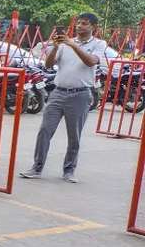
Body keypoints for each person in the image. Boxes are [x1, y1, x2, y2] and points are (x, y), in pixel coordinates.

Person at [19, 13, 107, 183]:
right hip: (58, 93)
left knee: (74, 135)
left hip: (80, 94)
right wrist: (56, 47)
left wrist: (72, 45)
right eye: (78, 23)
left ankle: (69, 170)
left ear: (93, 27)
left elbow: (91, 62)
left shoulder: (98, 44)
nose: (80, 26)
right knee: (45, 130)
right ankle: (36, 168)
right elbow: (48, 65)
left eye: (84, 24)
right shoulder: (65, 44)